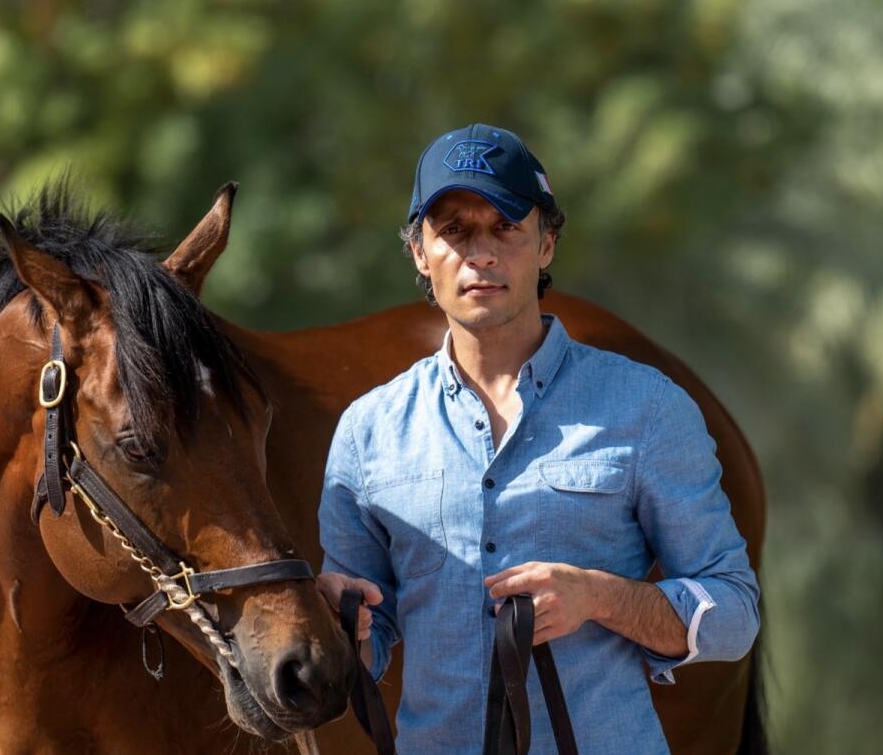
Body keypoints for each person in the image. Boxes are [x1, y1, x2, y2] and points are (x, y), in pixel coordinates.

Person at [316, 123, 760, 753]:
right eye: (455, 231)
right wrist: (342, 623)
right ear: (420, 251)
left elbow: (734, 613)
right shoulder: (367, 432)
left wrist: (599, 597)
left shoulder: (648, 408)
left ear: (547, 243)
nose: (482, 254)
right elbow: (369, 638)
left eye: (506, 227)